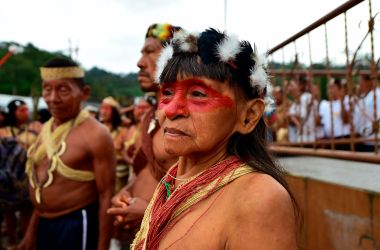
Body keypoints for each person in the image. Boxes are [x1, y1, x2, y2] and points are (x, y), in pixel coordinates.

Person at [130, 28, 299, 249]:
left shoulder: (259, 198)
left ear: (248, 116)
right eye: (168, 93)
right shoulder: (173, 181)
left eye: (198, 94)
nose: (171, 110)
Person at [18, 57, 116, 250]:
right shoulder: (45, 131)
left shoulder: (96, 134)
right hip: (43, 223)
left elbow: (106, 195)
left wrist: (103, 247)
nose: (53, 98)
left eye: (63, 89)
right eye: (47, 89)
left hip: (76, 224)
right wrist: (31, 233)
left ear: (84, 93)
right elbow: (42, 184)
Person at [107, 23, 181, 248]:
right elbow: (142, 171)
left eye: (150, 51)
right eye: (141, 53)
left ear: (174, 58)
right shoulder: (149, 117)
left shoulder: (186, 120)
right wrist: (126, 192)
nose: (140, 63)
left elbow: (204, 189)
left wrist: (150, 211)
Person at [99, 96, 130, 192]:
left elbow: (126, 153)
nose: (103, 111)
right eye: (102, 108)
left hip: (118, 175)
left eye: (107, 109)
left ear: (114, 112)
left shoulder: (123, 130)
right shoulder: (96, 129)